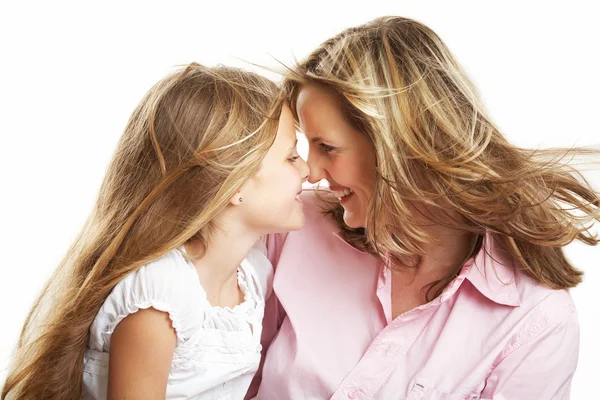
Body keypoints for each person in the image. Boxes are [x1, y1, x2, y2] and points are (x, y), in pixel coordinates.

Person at [250, 16, 599, 399]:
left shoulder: (535, 321)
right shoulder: (293, 228)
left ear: (398, 146)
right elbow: (229, 379)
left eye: (327, 148)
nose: (312, 172)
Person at [2, 63, 309, 399]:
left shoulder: (252, 275)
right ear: (234, 184)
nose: (309, 170)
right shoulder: (161, 296)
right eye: (292, 157)